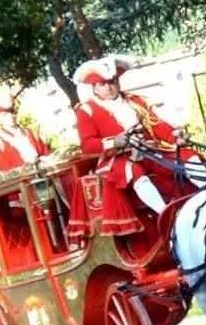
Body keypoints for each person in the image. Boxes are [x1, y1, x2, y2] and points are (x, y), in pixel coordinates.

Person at [70, 56, 195, 236]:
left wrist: (175, 136)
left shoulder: (135, 101)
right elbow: (88, 145)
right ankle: (168, 217)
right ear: (94, 87)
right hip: (116, 159)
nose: (109, 87)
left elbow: (156, 124)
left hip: (149, 151)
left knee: (186, 156)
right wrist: (114, 142)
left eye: (112, 82)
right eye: (103, 84)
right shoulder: (86, 110)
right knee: (135, 172)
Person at [0, 90, 51, 172]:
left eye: (12, 112)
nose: (11, 116)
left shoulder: (31, 132)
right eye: (5, 114)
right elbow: (5, 172)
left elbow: (46, 154)